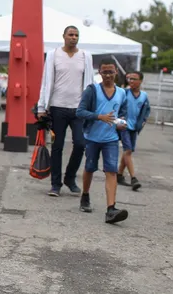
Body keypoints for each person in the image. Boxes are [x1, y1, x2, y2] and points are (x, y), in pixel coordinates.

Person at [37, 25, 95, 197]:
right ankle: (55, 184)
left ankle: (70, 178)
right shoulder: (54, 54)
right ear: (64, 36)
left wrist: (92, 107)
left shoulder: (85, 56)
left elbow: (90, 83)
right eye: (70, 34)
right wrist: (42, 106)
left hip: (79, 109)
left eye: (76, 35)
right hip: (57, 106)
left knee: (80, 144)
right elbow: (46, 81)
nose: (74, 38)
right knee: (57, 146)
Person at [76, 58, 129, 224]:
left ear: (116, 72)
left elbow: (123, 114)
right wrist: (99, 116)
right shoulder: (92, 90)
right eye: (105, 72)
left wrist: (122, 123)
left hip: (111, 139)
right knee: (90, 168)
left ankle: (111, 209)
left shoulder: (121, 93)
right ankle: (85, 195)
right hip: (92, 137)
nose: (108, 75)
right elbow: (80, 112)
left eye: (111, 72)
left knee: (111, 171)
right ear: (100, 73)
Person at [118, 71, 151, 191]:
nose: (131, 81)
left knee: (128, 151)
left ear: (140, 81)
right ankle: (133, 178)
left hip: (134, 128)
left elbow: (146, 111)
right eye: (130, 79)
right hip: (124, 126)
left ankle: (119, 175)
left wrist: (141, 124)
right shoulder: (124, 93)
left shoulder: (144, 96)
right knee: (128, 150)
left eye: (134, 79)